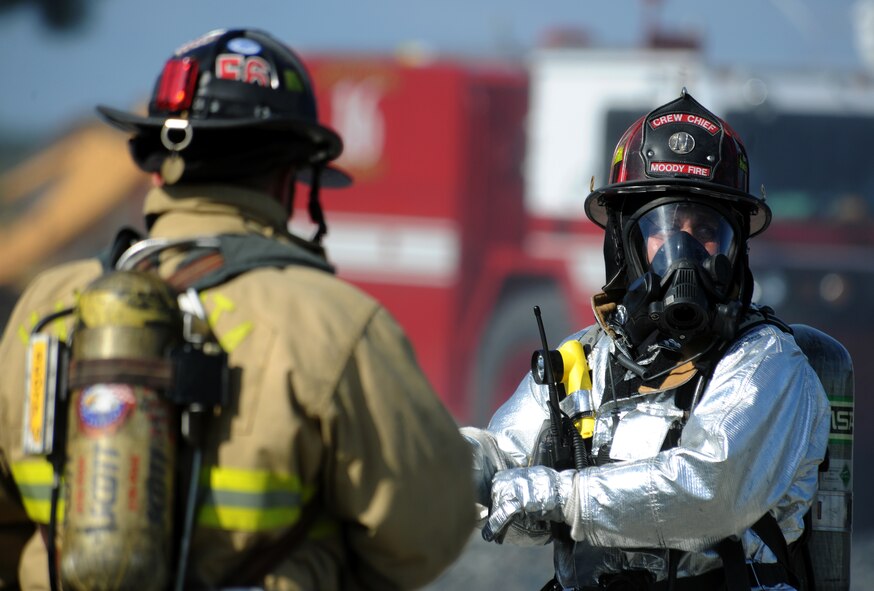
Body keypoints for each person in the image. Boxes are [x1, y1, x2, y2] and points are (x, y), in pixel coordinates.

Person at [0, 28, 474, 590]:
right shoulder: (336, 324)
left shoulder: (44, 307)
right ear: (290, 178)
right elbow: (430, 533)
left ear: (156, 169)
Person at [461, 90, 832, 590]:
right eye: (662, 228)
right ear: (624, 242)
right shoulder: (585, 361)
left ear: (735, 248)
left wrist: (560, 496)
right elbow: (505, 459)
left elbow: (708, 491)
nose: (683, 252)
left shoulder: (766, 363)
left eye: (706, 230)